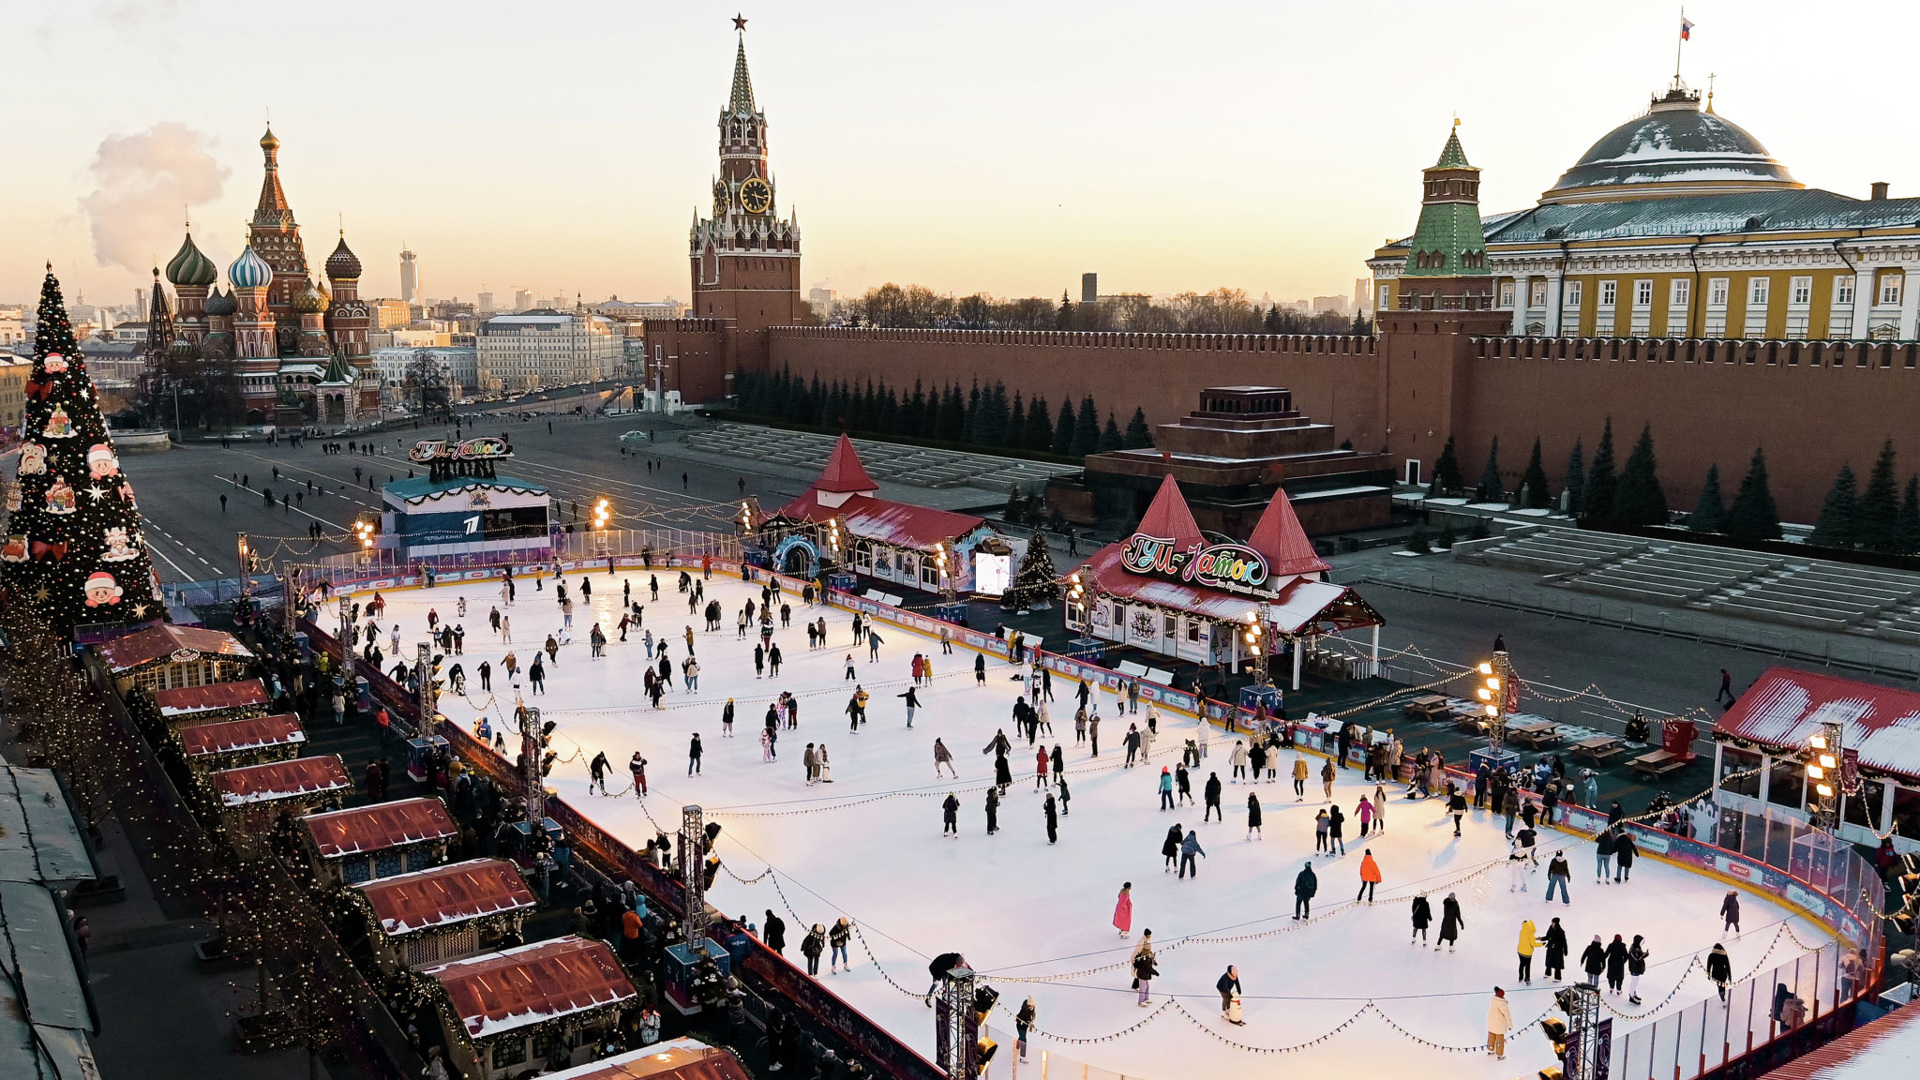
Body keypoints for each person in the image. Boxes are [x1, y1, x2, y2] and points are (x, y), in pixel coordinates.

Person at [1486, 987, 1512, 1060]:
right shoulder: (1503, 1004)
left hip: (1491, 1021)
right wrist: (1510, 1025)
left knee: (1491, 1036)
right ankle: (1500, 1054)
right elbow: (1507, 1015)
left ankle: (1490, 1050)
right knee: (1499, 1039)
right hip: (1499, 1023)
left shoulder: (1493, 1000)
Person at [1131, 937, 1158, 1006]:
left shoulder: (1147, 955)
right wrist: (1155, 972)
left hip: (1145, 974)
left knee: (1147, 986)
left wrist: (1154, 962)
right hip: (1142, 974)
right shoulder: (1144, 957)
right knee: (1143, 988)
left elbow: (1150, 961)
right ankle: (1141, 1001)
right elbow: (1148, 968)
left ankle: (1146, 998)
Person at [1626, 935, 1650, 1005]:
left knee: (1635, 981)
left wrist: (1644, 954)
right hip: (1634, 968)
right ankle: (1631, 996)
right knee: (1633, 982)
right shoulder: (1633, 949)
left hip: (1637, 968)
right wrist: (1645, 955)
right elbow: (1637, 959)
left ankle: (1633, 993)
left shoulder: (1637, 947)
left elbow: (1639, 955)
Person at [1015, 996, 1037, 1061]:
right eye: (1032, 1005)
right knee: (1023, 1040)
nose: (1033, 1007)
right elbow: (1019, 1017)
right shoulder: (1024, 1011)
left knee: (1021, 1037)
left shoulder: (1031, 1011)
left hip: (1024, 1027)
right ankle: (1022, 1057)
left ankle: (1017, 1047)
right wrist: (1023, 1022)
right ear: (1029, 1005)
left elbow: (1030, 1019)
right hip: (1020, 1026)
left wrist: (1030, 1024)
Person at [1517, 920, 1538, 984]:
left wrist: (1533, 938)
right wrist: (1542, 944)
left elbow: (1527, 939)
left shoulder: (1522, 932)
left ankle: (1520, 978)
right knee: (1527, 966)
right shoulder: (1530, 933)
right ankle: (1527, 979)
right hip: (1527, 953)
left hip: (1520, 951)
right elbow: (1534, 944)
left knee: (1521, 964)